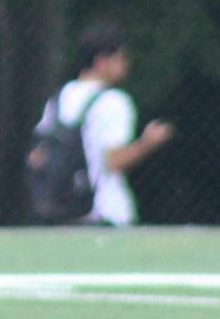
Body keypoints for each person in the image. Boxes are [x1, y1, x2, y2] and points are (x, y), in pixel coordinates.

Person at [42, 23, 174, 227]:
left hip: (64, 215)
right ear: (101, 61)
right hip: (107, 213)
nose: (126, 65)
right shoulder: (114, 101)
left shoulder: (59, 98)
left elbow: (39, 154)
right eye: (120, 58)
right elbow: (113, 161)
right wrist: (147, 143)